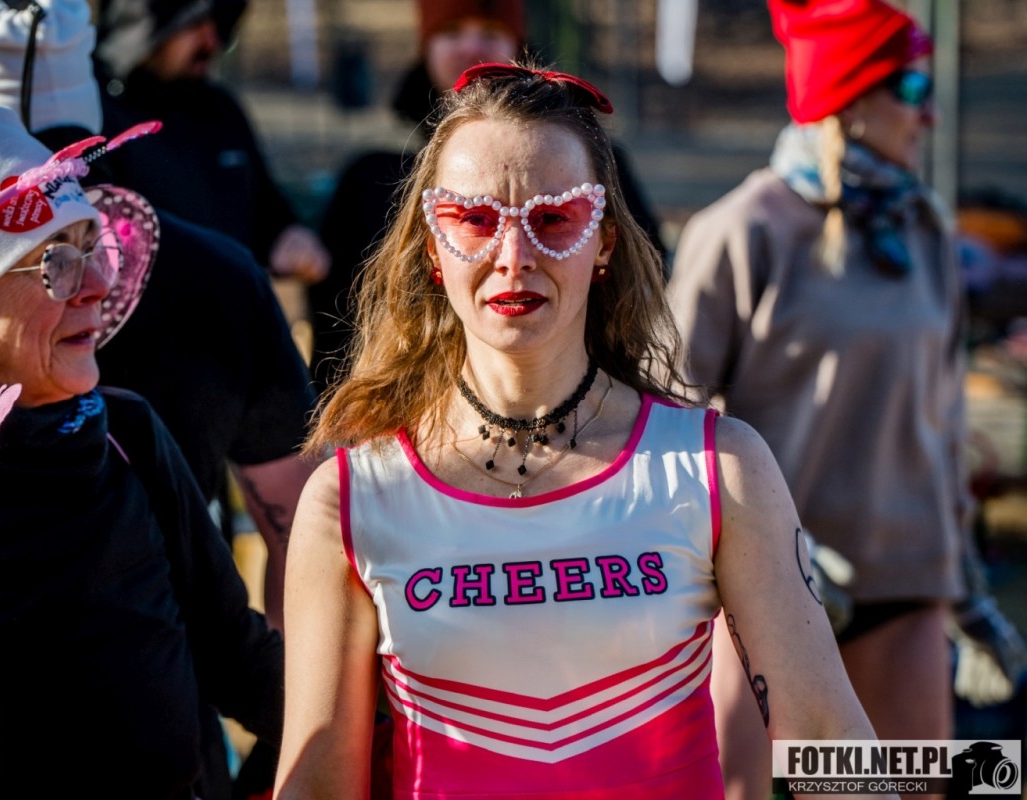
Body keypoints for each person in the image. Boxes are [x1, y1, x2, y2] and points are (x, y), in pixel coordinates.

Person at [274, 62, 886, 799]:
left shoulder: (718, 467)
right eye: (474, 220)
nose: (513, 257)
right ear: (433, 249)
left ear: (603, 244)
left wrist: (986, 776)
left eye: (554, 218)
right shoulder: (350, 499)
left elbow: (830, 741)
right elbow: (315, 787)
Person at [0, 103, 284, 799]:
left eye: (92, 248)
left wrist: (391, 722)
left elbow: (237, 657)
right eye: (55, 263)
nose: (99, 287)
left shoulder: (127, 433)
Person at [666, 1, 1023, 796]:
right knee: (734, 791)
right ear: (849, 97)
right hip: (769, 588)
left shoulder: (923, 227)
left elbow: (943, 423)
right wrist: (744, 550)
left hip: (905, 584)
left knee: (915, 790)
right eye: (912, 87)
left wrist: (967, 593)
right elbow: (665, 418)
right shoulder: (742, 230)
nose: (929, 113)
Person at [0, 0, 320, 633]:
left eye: (90, 260)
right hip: (177, 664)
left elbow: (309, 529)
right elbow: (308, 535)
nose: (92, 289)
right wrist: (287, 692)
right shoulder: (221, 271)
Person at [308, 0, 663, 392]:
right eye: (452, 32)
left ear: (605, 242)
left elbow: (645, 281)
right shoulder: (373, 175)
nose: (471, 47)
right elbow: (334, 317)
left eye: (551, 217)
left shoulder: (589, 162)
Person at [93, 0, 329, 284]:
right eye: (194, 26)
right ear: (141, 29)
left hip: (233, 304)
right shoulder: (91, 118)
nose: (212, 42)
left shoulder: (220, 111)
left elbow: (266, 211)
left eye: (217, 25)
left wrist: (288, 236)